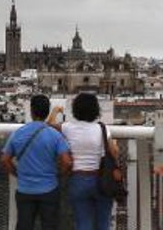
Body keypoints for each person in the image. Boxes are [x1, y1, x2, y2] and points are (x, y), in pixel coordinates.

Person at [0, 94, 72, 230]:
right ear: (47, 112)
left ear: (31, 111)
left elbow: (4, 160)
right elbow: (67, 162)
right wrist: (59, 175)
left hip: (25, 189)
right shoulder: (55, 135)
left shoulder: (19, 133)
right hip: (49, 188)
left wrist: (16, 174)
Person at [52, 92, 119, 230]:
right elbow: (114, 152)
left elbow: (47, 125)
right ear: (96, 110)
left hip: (78, 178)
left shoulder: (67, 127)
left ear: (75, 110)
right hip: (101, 179)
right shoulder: (102, 128)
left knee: (83, 224)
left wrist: (55, 111)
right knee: (103, 223)